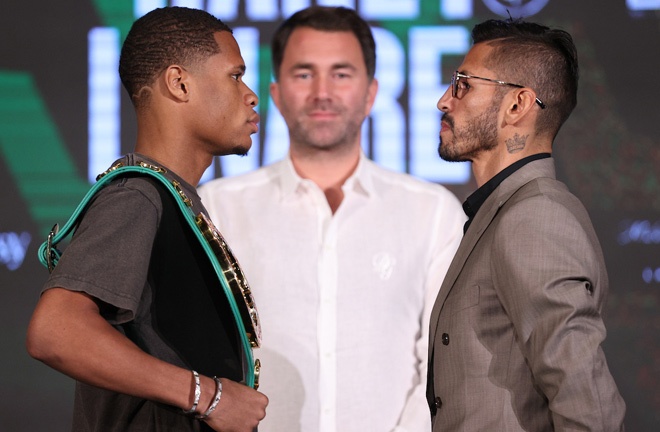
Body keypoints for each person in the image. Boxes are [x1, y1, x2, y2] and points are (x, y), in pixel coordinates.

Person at [198, 6, 465, 432]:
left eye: (341, 74)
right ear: (276, 92)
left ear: (372, 92)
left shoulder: (432, 213)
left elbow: (442, 362)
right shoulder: (217, 209)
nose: (322, 92)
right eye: (304, 74)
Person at [26, 7, 267, 432]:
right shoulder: (137, 197)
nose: (250, 95)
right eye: (235, 76)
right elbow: (55, 331)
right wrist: (208, 397)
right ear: (179, 83)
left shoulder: (167, 198)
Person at [426, 18, 626, 431]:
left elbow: (588, 402)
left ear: (517, 105)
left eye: (463, 84)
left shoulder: (535, 218)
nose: (444, 100)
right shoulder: (507, 211)